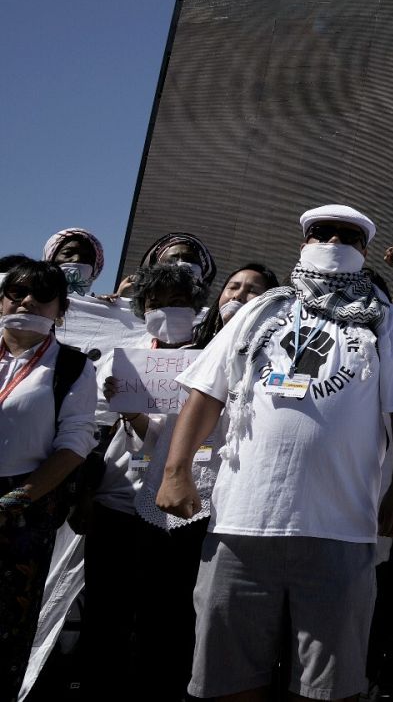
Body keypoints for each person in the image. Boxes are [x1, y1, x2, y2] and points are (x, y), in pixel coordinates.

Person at [154, 204, 393, 701]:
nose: (334, 242)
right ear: (304, 242)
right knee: (228, 676)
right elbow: (206, 393)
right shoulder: (263, 309)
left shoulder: (383, 319)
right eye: (323, 232)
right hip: (242, 522)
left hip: (340, 526)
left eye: (348, 236)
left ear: (364, 251)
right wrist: (176, 471)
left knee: (326, 685)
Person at [80, 262, 209, 700]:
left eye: (179, 302)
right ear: (142, 308)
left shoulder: (207, 361)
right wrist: (129, 411)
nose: (167, 310)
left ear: (195, 307)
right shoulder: (123, 357)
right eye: (157, 302)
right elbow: (99, 429)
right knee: (106, 611)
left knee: (164, 614)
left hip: (177, 510)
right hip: (119, 497)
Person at [0, 261, 96, 701]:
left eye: (42, 296)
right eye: (16, 292)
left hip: (22, 508)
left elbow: (74, 445)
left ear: (60, 309)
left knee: (7, 624)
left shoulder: (71, 366)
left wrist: (14, 501)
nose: (27, 302)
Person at [192, 263, 280, 349]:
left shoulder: (271, 353)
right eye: (233, 287)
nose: (237, 295)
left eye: (251, 291)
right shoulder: (191, 340)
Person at [43, 227, 105, 296]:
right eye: (68, 253)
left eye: (86, 257)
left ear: (95, 268)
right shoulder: (35, 298)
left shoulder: (100, 302)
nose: (77, 259)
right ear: (51, 258)